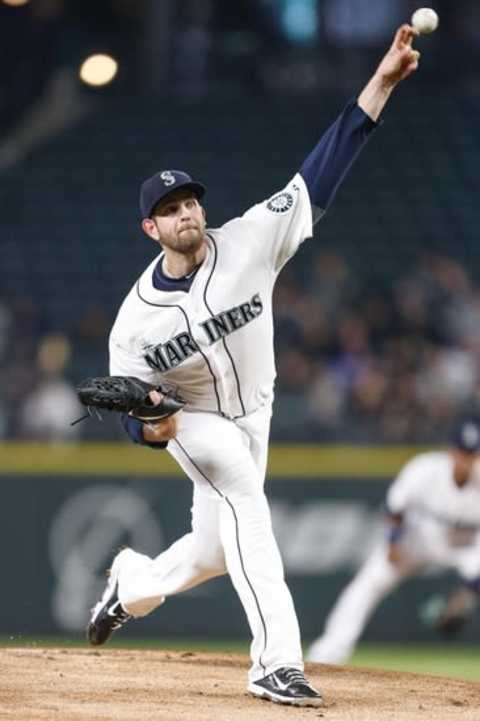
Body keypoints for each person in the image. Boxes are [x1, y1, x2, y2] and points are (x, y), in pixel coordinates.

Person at [87, 25, 420, 707]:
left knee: (213, 551)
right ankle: (274, 662)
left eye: (190, 202)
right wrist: (153, 422)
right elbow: (137, 427)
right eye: (171, 211)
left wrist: (381, 82)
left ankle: (131, 585)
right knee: (243, 493)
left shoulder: (246, 240)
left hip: (257, 410)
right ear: (150, 229)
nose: (188, 215)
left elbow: (324, 166)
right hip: (196, 421)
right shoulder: (135, 324)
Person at [307, 418, 480, 665]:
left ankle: (461, 602)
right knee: (366, 586)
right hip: (418, 539)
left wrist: (467, 594)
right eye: (463, 452)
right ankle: (328, 654)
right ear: (451, 451)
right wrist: (393, 542)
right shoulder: (426, 468)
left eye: (473, 454)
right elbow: (395, 506)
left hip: (464, 546)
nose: (467, 459)